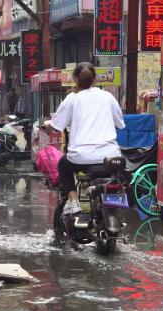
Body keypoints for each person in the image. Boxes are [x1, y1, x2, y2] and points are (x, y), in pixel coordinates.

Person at [46, 62, 125, 215]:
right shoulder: (107, 97)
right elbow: (120, 124)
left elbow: (56, 125)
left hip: (81, 157)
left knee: (63, 165)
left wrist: (47, 125)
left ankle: (74, 202)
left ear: (76, 79)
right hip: (110, 155)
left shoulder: (72, 98)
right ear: (95, 78)